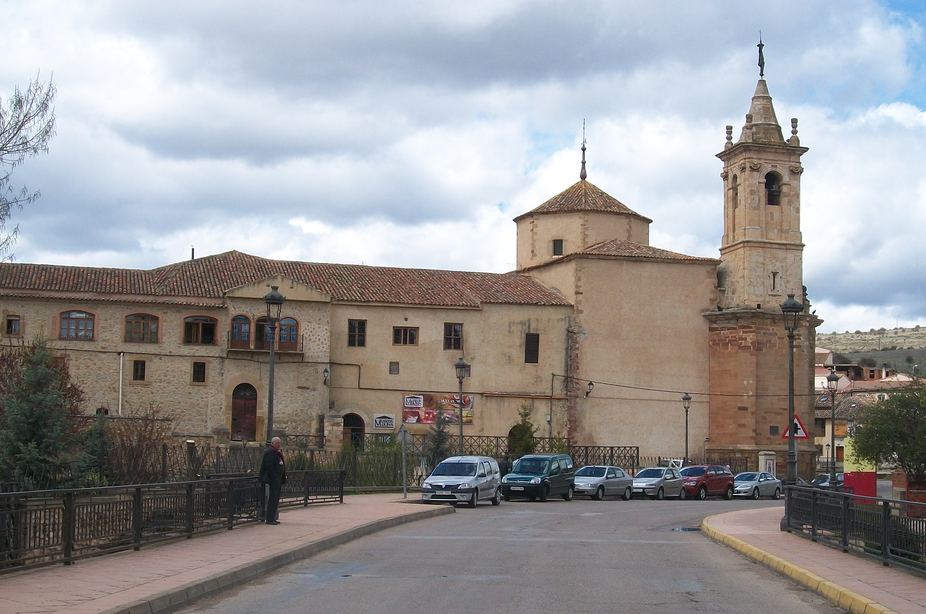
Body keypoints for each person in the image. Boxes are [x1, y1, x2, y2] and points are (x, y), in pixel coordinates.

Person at [259, 436, 286, 525]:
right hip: (272, 480)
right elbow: (269, 466)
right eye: (278, 443)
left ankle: (273, 517)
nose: (279, 445)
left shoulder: (276, 452)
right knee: (272, 499)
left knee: (275, 499)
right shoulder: (270, 452)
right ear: (273, 443)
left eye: (279, 443)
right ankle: (269, 518)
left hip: (277, 479)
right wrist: (275, 477)